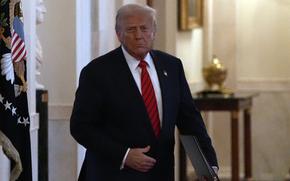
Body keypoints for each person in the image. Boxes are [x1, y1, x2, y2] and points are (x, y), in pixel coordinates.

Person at [70, 3, 218, 181]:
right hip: (113, 173)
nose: (139, 36)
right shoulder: (97, 72)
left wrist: (208, 165)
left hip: (161, 174)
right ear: (119, 34)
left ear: (154, 31)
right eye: (131, 29)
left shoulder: (171, 66)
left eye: (144, 29)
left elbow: (190, 120)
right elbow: (80, 127)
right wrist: (124, 155)